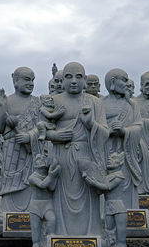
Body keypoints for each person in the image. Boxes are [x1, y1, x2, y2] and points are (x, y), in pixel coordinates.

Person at [46, 62, 108, 235]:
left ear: (85, 80)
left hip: (86, 157)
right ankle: (61, 235)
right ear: (62, 80)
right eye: (68, 77)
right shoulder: (53, 101)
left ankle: (91, 235)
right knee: (60, 198)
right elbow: (41, 130)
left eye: (78, 77)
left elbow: (105, 132)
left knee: (88, 197)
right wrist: (54, 136)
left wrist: (91, 124)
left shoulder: (95, 103)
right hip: (61, 157)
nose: (73, 81)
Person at [0, 67, 42, 213]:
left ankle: (31, 213)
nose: (31, 83)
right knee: (9, 181)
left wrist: (29, 136)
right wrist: (2, 109)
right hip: (11, 151)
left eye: (33, 80)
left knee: (30, 182)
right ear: (15, 81)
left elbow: (42, 127)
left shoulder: (37, 103)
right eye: (27, 79)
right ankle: (7, 214)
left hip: (30, 152)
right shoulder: (7, 101)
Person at [102, 68, 142, 209]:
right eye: (124, 80)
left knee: (125, 182)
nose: (126, 84)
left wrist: (124, 131)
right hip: (106, 151)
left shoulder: (131, 105)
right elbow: (94, 129)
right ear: (113, 82)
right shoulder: (100, 104)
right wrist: (108, 130)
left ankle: (129, 213)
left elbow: (138, 127)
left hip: (125, 153)